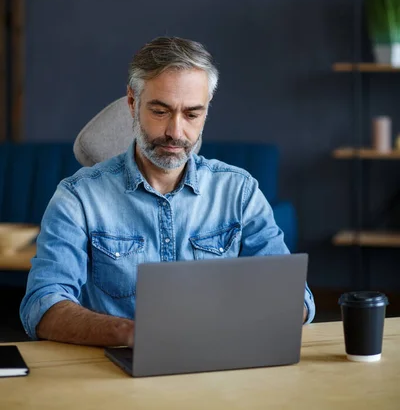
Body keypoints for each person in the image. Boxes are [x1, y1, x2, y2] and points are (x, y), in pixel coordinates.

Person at [20, 36, 315, 347]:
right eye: (160, 111)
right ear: (133, 103)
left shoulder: (240, 191)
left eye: (192, 114)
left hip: (222, 369)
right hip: (116, 373)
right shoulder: (77, 198)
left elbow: (298, 300)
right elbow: (42, 306)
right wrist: (132, 334)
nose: (176, 132)